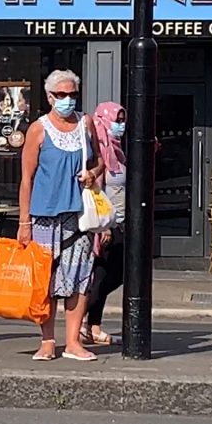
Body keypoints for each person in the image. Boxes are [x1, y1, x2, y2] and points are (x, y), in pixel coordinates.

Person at [17, 69, 104, 361]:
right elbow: (26, 178)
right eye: (62, 95)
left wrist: (92, 173)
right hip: (44, 215)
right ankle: (47, 340)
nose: (68, 100)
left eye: (72, 95)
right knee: (46, 281)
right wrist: (24, 222)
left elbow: (100, 161)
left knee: (80, 278)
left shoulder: (86, 123)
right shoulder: (38, 129)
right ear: (50, 96)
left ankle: (73, 342)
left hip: (79, 214)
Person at [82, 102, 127, 345]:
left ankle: (90, 324)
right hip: (106, 226)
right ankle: (85, 324)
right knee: (101, 276)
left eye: (122, 119)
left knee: (116, 275)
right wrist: (104, 228)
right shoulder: (100, 152)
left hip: (120, 222)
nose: (120, 125)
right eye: (116, 120)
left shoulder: (116, 151)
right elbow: (97, 191)